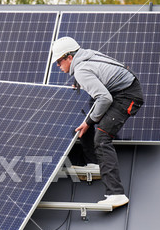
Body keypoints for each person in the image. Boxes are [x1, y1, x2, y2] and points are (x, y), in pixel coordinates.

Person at [52, 36, 144, 208]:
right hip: (120, 90)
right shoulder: (86, 56)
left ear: (69, 57)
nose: (58, 66)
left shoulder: (81, 70)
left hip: (128, 96)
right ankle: (94, 163)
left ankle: (116, 194)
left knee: (101, 137)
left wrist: (89, 122)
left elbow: (104, 98)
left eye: (59, 61)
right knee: (87, 113)